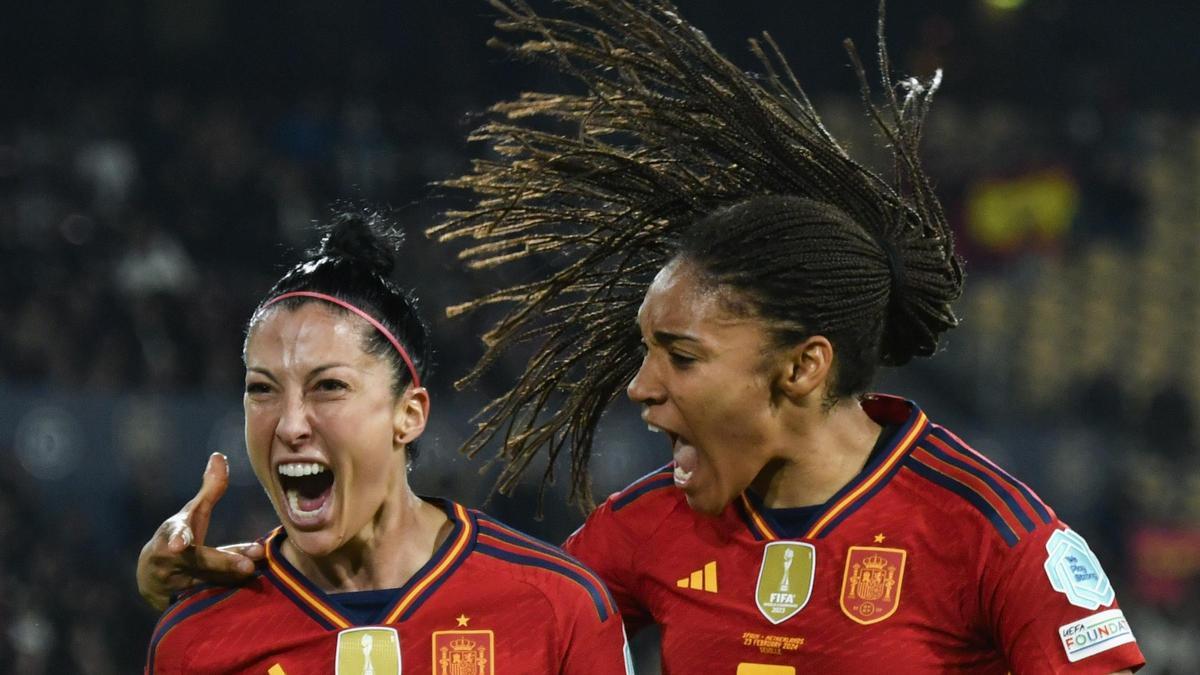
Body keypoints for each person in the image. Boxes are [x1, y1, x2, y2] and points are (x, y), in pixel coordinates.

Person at [139, 1, 1145, 672]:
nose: (639, 388)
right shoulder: (638, 534)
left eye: (682, 356)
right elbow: (478, 603)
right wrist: (250, 581)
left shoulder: (994, 535)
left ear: (801, 368)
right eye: (645, 349)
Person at [141, 210, 631, 673]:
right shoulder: (194, 641)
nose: (290, 426)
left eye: (329, 386)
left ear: (409, 414)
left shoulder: (556, 607)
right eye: (262, 390)